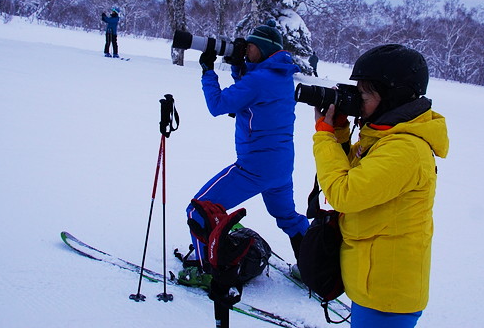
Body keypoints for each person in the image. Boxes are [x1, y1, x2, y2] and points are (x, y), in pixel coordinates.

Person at [311, 44, 449, 328]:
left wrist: (324, 138)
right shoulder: (382, 137)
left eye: (365, 93)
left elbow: (344, 193)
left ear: (392, 97)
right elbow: (356, 176)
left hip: (388, 296)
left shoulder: (405, 149)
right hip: (374, 284)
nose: (357, 100)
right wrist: (338, 133)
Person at [182, 20, 309, 286]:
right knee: (288, 217)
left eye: (250, 47)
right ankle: (312, 270)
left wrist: (208, 71)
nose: (246, 49)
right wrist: (240, 67)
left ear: (262, 50)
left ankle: (208, 273)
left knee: (199, 210)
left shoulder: (259, 80)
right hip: (281, 167)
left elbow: (218, 105)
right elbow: (251, 93)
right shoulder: (281, 76)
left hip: (255, 167)